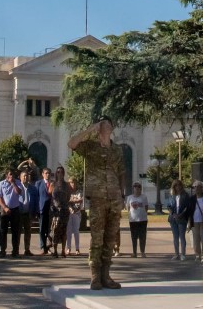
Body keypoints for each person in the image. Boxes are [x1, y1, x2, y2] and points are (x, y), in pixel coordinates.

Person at [68, 117, 126, 290]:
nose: (105, 125)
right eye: (101, 123)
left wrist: (123, 195)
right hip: (97, 198)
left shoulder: (117, 150)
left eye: (107, 123)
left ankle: (106, 276)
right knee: (97, 238)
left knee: (110, 238)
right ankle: (95, 276)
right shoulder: (90, 146)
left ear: (112, 127)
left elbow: (122, 172)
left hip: (114, 197)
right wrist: (89, 130)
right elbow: (71, 143)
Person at [0, 169, 24, 257]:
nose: (12, 176)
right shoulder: (1, 184)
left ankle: (15, 251)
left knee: (15, 231)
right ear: (6, 176)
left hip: (15, 209)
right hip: (4, 209)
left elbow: (19, 192)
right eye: (10, 174)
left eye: (13, 174)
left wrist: (13, 183)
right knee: (3, 231)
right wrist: (4, 207)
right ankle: (2, 250)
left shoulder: (18, 182)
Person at [188, 180, 203, 261]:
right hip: (194, 221)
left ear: (202, 188)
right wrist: (189, 222)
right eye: (194, 187)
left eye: (198, 187)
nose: (196, 189)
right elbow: (189, 212)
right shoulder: (191, 199)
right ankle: (197, 255)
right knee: (196, 239)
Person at [49, 166, 71, 258]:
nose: (60, 174)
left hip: (64, 210)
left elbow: (68, 197)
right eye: (58, 172)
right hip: (55, 211)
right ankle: (55, 250)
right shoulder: (52, 184)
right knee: (55, 230)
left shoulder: (66, 185)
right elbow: (50, 195)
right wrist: (55, 205)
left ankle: (62, 250)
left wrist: (63, 204)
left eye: (61, 172)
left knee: (64, 230)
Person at [167, 179, 190, 260]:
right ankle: (176, 254)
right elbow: (168, 206)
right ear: (174, 187)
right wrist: (173, 214)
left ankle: (183, 254)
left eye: (179, 185)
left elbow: (187, 207)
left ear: (181, 186)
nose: (178, 187)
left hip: (182, 218)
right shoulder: (171, 196)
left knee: (182, 236)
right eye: (176, 185)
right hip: (173, 219)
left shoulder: (185, 195)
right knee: (175, 237)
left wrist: (180, 215)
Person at [125, 181, 149, 258]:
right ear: (133, 188)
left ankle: (142, 252)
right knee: (134, 237)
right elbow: (128, 208)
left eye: (138, 187)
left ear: (140, 189)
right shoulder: (129, 197)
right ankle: (134, 252)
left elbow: (146, 207)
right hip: (133, 220)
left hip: (142, 219)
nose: (137, 188)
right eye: (135, 187)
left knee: (142, 236)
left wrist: (143, 213)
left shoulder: (144, 197)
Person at [18, 170, 37, 255]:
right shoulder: (17, 187)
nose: (25, 177)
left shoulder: (33, 188)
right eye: (24, 176)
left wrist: (34, 214)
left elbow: (36, 201)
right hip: (19, 212)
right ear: (20, 177)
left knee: (28, 232)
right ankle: (16, 249)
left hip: (28, 213)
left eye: (27, 176)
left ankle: (27, 249)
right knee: (17, 232)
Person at [36, 167, 53, 253]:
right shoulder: (38, 183)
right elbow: (36, 197)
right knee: (42, 229)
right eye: (46, 173)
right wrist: (36, 209)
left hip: (51, 210)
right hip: (42, 209)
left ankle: (49, 246)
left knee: (50, 229)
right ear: (42, 174)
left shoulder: (53, 184)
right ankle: (43, 246)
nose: (47, 175)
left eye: (49, 173)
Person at [66, 177, 83, 256]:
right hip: (69, 213)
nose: (72, 184)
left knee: (76, 231)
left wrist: (72, 201)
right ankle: (68, 248)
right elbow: (66, 201)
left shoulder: (79, 192)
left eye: (74, 183)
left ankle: (77, 248)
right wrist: (74, 201)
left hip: (77, 213)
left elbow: (80, 201)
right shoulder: (67, 192)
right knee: (68, 231)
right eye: (71, 183)